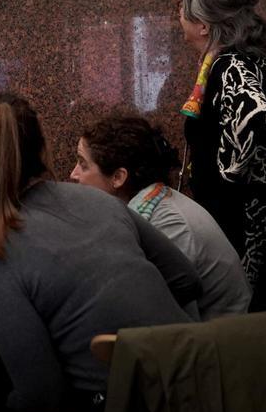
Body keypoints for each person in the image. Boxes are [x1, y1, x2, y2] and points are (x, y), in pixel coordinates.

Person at [0, 94, 202, 412]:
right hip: (203, 385)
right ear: (41, 149)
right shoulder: (98, 200)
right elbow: (186, 279)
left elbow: (40, 397)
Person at [177, 0, 266, 313]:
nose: (178, 15)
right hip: (259, 222)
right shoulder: (244, 61)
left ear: (203, 25)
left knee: (246, 321)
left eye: (183, 8)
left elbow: (257, 119)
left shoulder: (230, 67)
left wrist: (230, 172)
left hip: (245, 226)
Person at [71, 113, 251, 320]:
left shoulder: (169, 225)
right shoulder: (151, 205)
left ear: (118, 177)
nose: (73, 174)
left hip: (222, 337)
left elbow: (169, 318)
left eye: (83, 164)